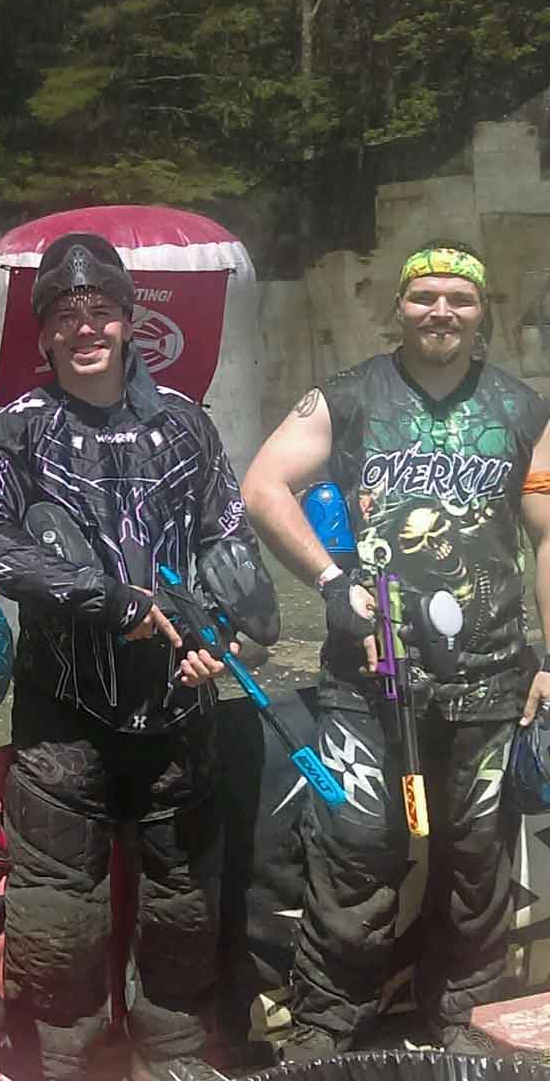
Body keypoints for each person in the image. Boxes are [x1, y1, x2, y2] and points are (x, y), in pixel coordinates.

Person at [0, 232, 254, 1081]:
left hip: (178, 716)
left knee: (184, 923)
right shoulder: (17, 430)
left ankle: (176, 1066)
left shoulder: (186, 425)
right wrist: (107, 598)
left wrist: (216, 640)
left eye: (101, 311)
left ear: (129, 319)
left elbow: (229, 545)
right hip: (61, 723)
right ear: (42, 333)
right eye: (65, 315)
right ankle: (65, 1070)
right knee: (56, 934)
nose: (85, 328)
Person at [241, 241, 550, 1058]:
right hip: (365, 681)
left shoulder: (524, 410)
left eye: (458, 297)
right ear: (399, 308)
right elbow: (263, 485)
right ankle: (323, 1033)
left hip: (489, 681)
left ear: (482, 311)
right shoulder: (346, 399)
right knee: (355, 850)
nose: (440, 311)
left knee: (476, 860)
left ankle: (467, 1028)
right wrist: (333, 580)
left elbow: (549, 537)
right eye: (424, 297)